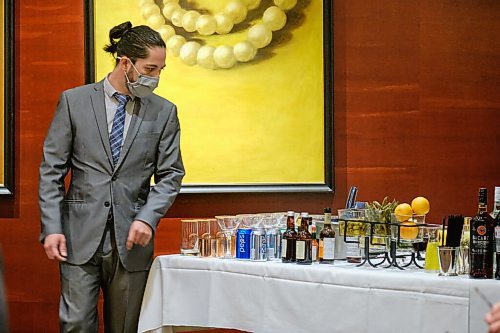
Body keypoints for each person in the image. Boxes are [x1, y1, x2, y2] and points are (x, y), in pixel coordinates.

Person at [39, 21, 184, 332]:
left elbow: (171, 175)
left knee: (126, 328)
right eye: (150, 68)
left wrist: (148, 217)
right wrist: (51, 226)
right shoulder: (73, 102)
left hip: (131, 243)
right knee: (76, 325)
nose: (156, 77)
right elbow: (51, 169)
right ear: (125, 63)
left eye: (161, 69)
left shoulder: (164, 112)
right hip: (78, 237)